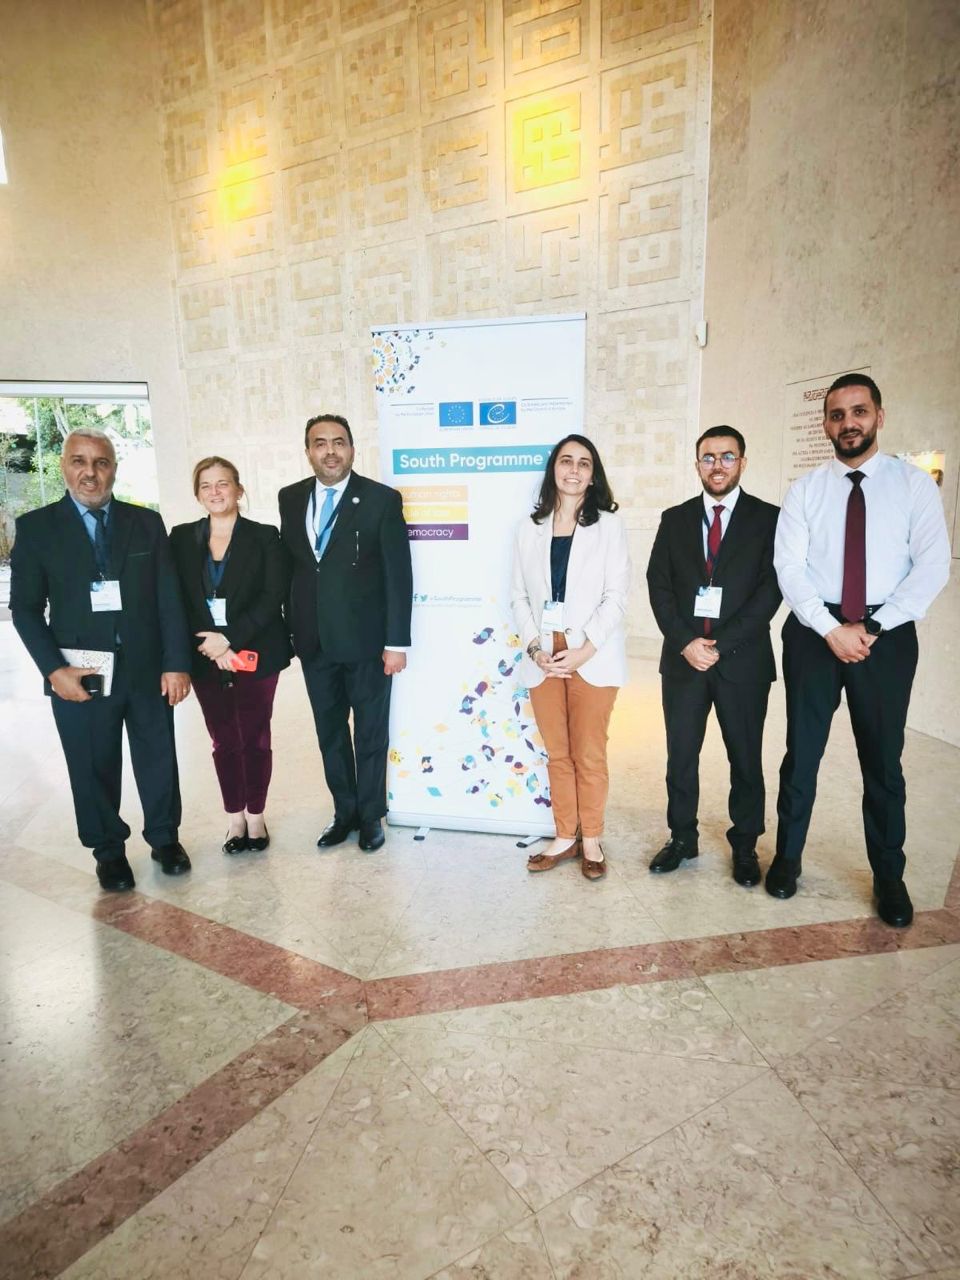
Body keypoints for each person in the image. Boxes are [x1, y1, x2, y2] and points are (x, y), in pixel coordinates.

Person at [769, 373, 951, 926]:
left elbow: (932, 567)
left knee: (883, 761)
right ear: (826, 424)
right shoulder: (805, 490)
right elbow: (789, 568)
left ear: (879, 416)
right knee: (801, 754)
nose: (849, 423)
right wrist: (830, 628)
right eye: (837, 414)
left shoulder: (913, 486)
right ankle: (787, 859)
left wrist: (872, 626)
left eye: (859, 411)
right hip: (813, 633)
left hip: (886, 637)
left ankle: (889, 876)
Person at [10, 430, 192, 891]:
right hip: (80, 672)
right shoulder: (36, 528)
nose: (90, 473)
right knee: (91, 764)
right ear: (64, 467)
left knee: (158, 757)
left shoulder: (145, 523)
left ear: (113, 468)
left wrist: (176, 662)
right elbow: (25, 609)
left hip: (147, 669)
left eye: (101, 462)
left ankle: (165, 838)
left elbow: (169, 598)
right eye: (79, 461)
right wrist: (54, 670)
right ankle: (108, 851)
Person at [646, 426, 781, 886]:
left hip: (742, 662)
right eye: (708, 457)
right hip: (683, 662)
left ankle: (745, 844)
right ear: (697, 464)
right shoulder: (675, 519)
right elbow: (659, 586)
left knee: (745, 758)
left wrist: (719, 646)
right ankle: (682, 837)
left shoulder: (769, 519)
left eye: (727, 456)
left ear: (742, 462)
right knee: (681, 756)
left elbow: (770, 592)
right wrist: (686, 642)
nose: (717, 465)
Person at [279, 413, 413, 853]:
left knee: (370, 732)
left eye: (339, 442)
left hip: (368, 643)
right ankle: (344, 812)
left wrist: (396, 642)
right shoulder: (290, 498)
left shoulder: (381, 500)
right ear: (308, 451)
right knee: (329, 733)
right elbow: (295, 569)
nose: (330, 451)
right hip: (314, 641)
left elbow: (398, 575)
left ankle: (371, 815)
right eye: (320, 443)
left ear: (352, 449)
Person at [512, 434, 630, 880]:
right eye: (566, 461)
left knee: (589, 752)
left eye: (584, 463)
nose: (574, 470)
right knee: (558, 753)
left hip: (591, 655)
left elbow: (616, 596)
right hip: (544, 656)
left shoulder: (610, 526)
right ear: (554, 470)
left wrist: (584, 651)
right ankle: (565, 835)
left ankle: (592, 837)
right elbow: (518, 596)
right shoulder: (529, 527)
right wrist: (535, 648)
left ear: (593, 475)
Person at [169, 457, 290, 854]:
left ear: (239, 490)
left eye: (223, 483)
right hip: (205, 653)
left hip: (256, 651)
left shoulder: (265, 536)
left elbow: (273, 595)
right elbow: (177, 597)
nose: (215, 491)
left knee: (255, 737)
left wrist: (230, 639)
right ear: (197, 494)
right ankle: (235, 818)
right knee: (223, 739)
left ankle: (256, 816)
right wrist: (211, 643)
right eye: (206, 485)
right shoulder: (181, 538)